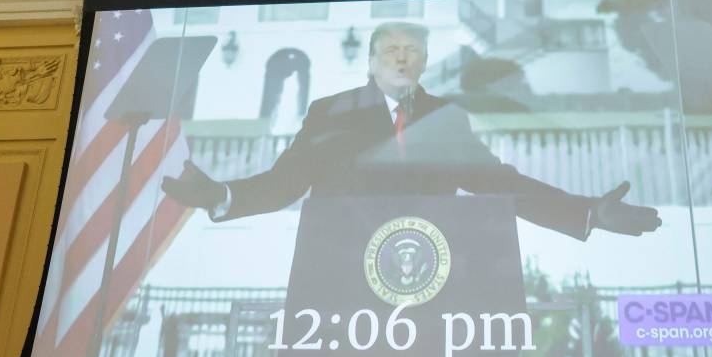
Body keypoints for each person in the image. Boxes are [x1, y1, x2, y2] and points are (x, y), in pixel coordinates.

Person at [162, 21, 660, 241]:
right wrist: (221, 195)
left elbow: (498, 182)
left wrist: (586, 211)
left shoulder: (446, 117)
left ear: (424, 62)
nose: (402, 57)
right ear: (371, 61)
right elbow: (284, 184)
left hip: (428, 278)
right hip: (339, 279)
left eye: (413, 51)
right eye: (391, 50)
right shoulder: (330, 111)